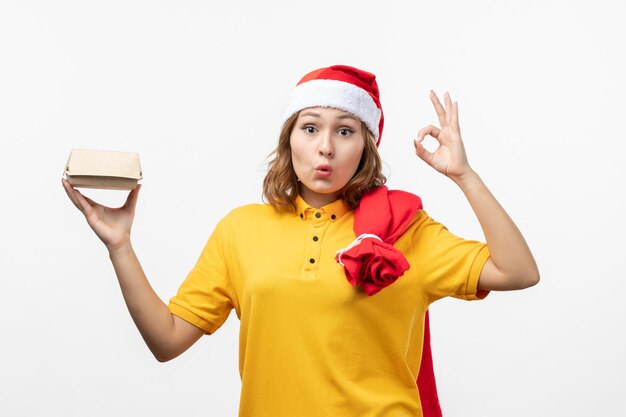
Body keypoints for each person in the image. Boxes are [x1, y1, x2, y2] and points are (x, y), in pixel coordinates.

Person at [62, 65, 539, 417]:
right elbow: (166, 340)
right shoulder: (241, 230)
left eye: (345, 131)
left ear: (365, 146)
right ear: (290, 138)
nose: (326, 146)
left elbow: (518, 272)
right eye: (310, 128)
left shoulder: (406, 229)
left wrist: (464, 175)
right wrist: (119, 246)